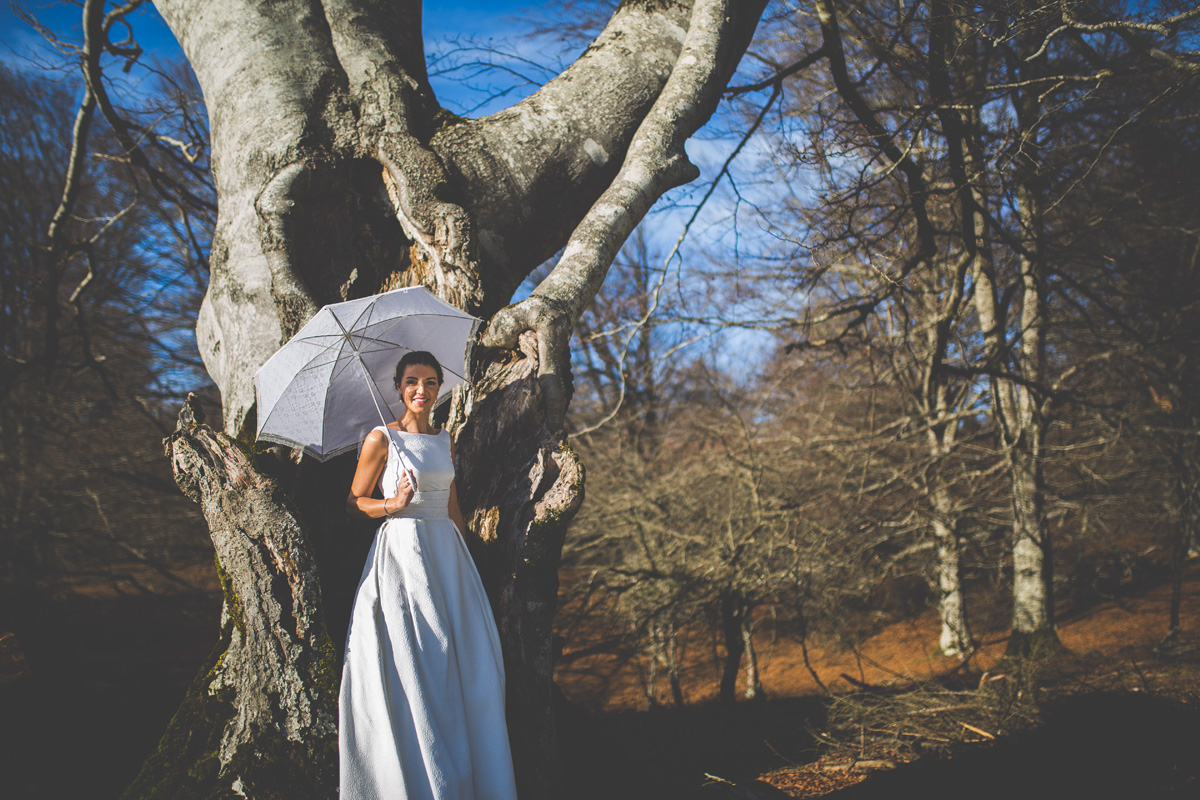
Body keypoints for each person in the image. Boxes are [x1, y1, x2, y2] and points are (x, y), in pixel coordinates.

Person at [340, 350, 518, 800]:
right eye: (412, 382)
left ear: (441, 388)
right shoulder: (381, 439)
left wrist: (466, 562)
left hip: (448, 554)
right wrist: (392, 506)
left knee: (466, 658)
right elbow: (353, 502)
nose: (422, 390)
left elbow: (453, 504)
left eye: (432, 382)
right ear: (398, 387)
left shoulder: (444, 440)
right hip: (403, 552)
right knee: (419, 656)